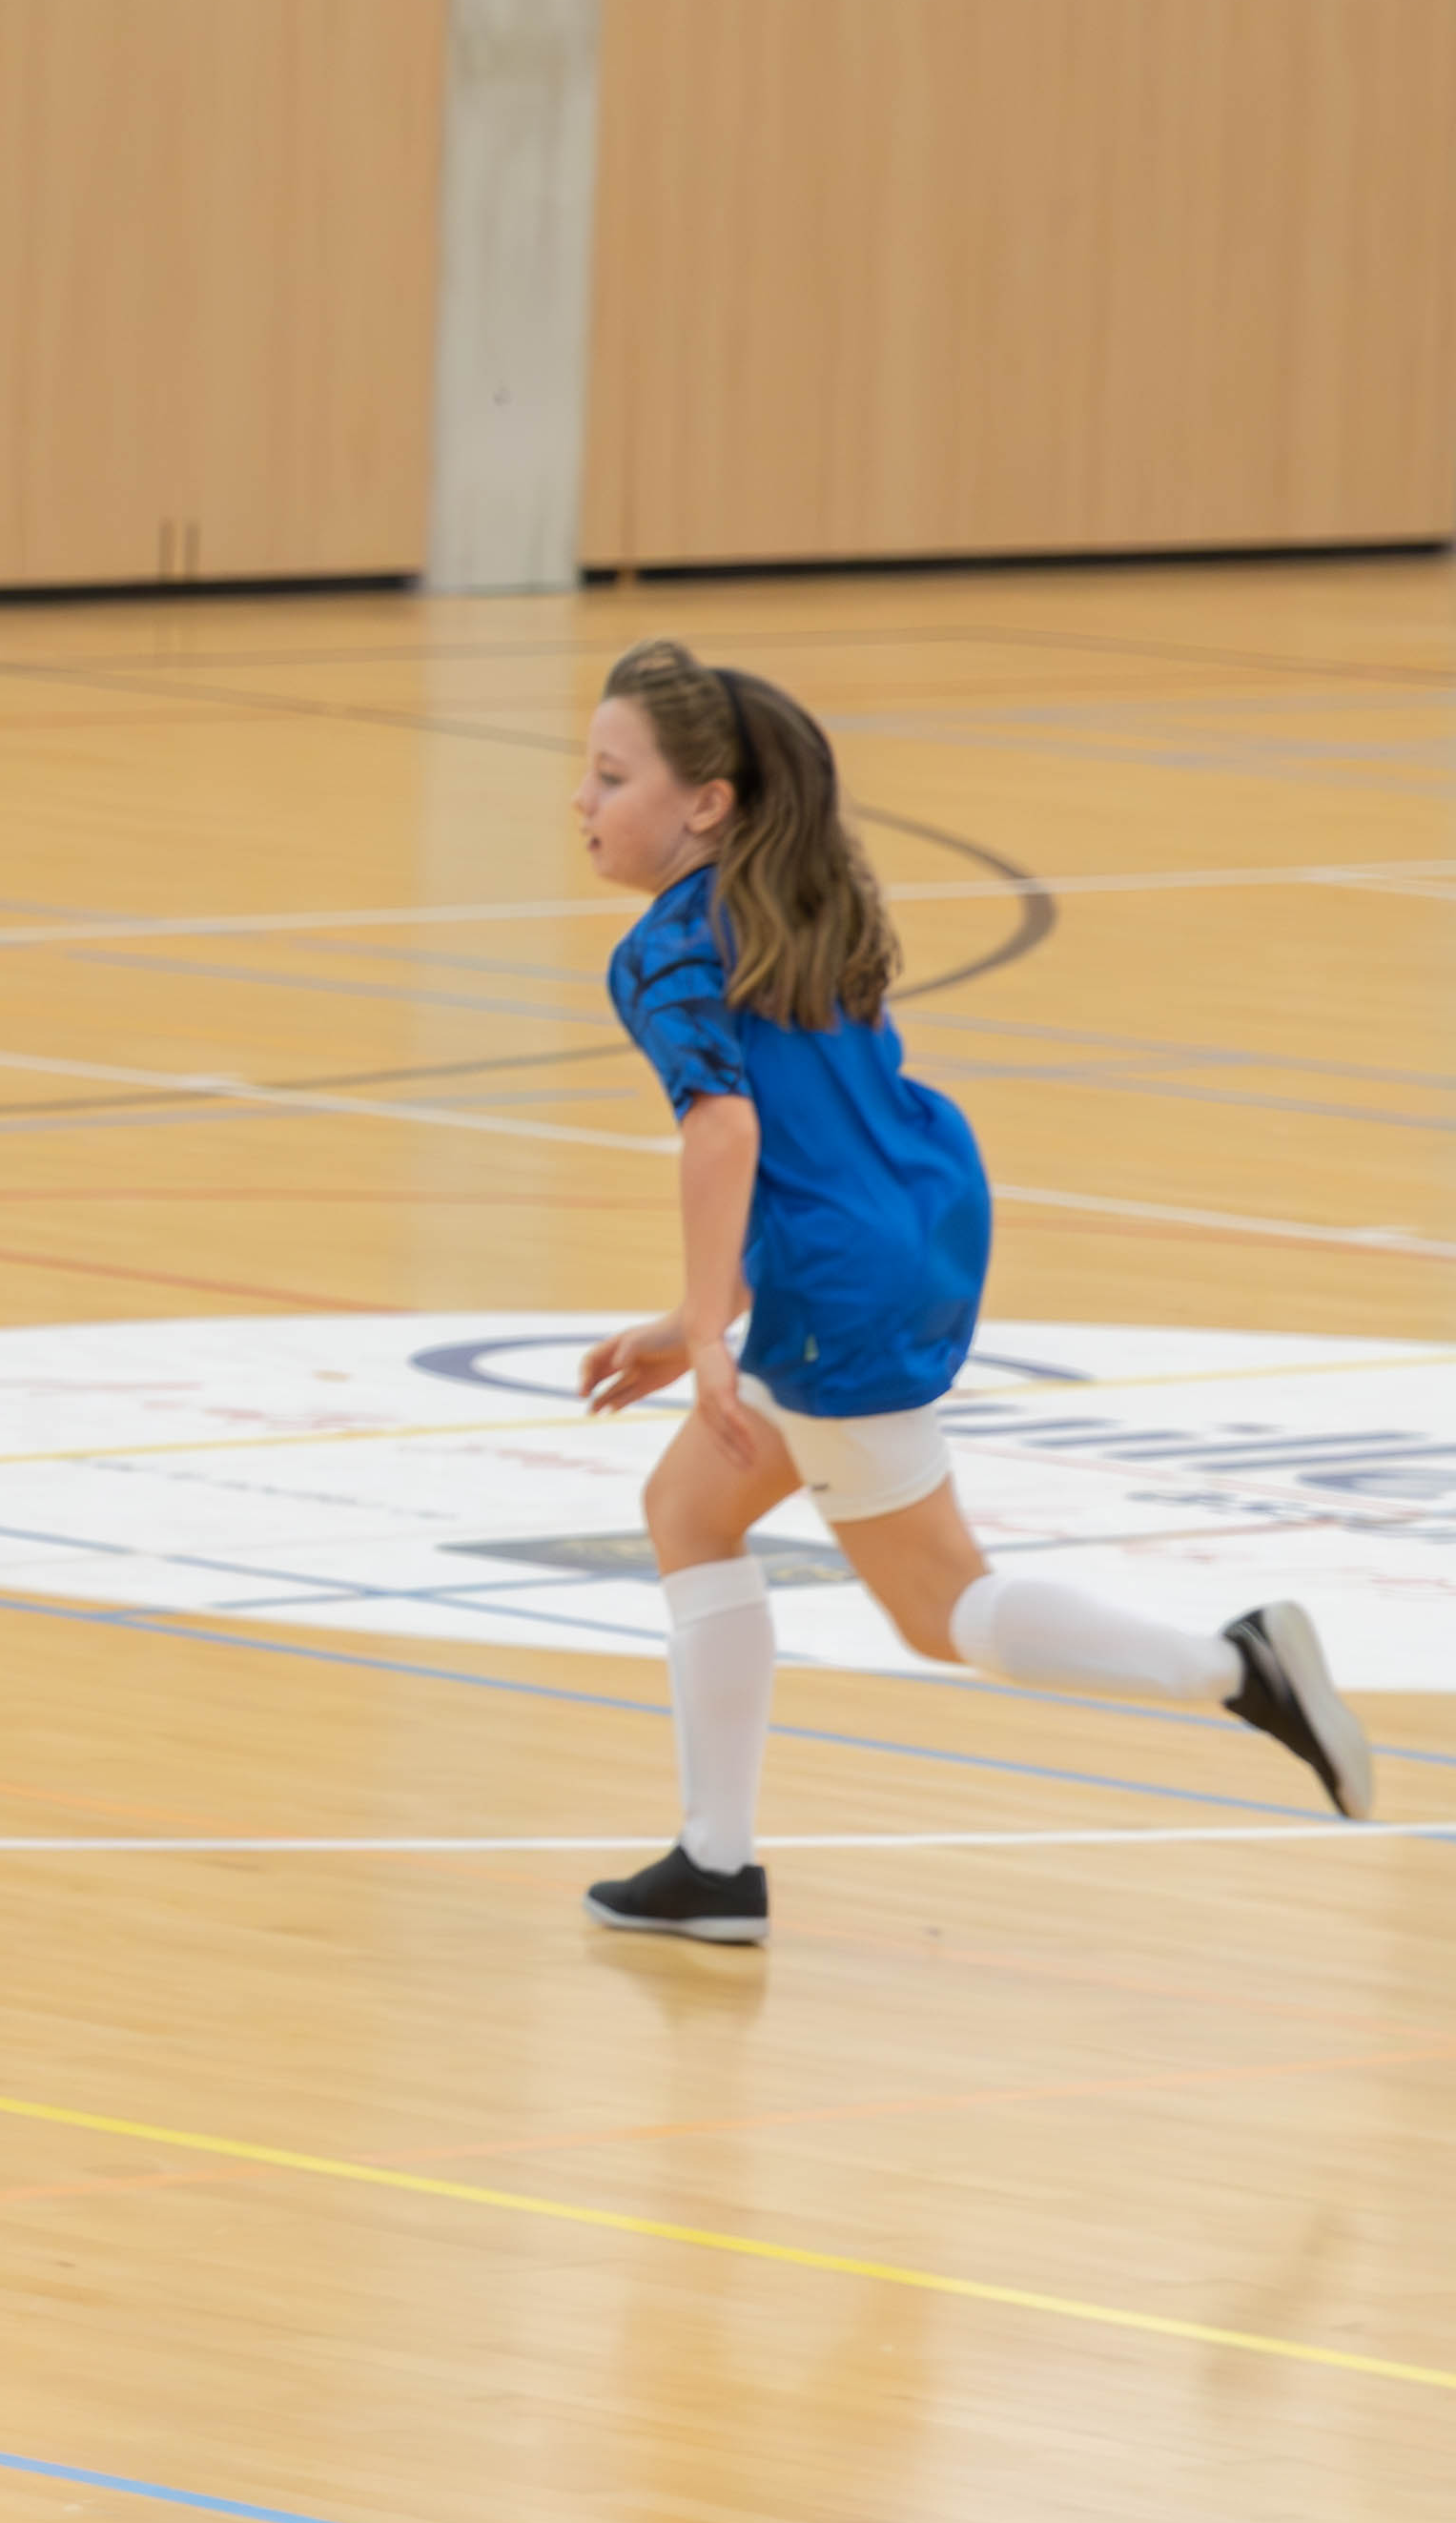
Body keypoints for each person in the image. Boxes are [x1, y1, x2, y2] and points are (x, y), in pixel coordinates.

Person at [570, 636, 1375, 1943]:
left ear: (706, 803)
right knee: (687, 1510)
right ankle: (714, 1864)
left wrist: (711, 1332)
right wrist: (696, 1321)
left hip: (845, 1281)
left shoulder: (666, 947)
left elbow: (727, 1128)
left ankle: (1240, 1666)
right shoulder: (794, 902)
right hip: (913, 1224)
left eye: (612, 776)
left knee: (942, 1608)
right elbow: (819, 1137)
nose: (584, 799)